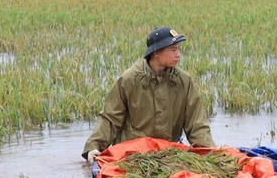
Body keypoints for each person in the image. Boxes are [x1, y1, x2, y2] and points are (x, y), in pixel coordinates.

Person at [82, 27, 214, 164]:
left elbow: (197, 123)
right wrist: (93, 147)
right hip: (132, 156)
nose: (178, 55)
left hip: (168, 155)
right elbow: (110, 118)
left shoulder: (184, 81)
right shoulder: (129, 80)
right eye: (173, 50)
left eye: (179, 49)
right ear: (156, 52)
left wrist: (209, 154)